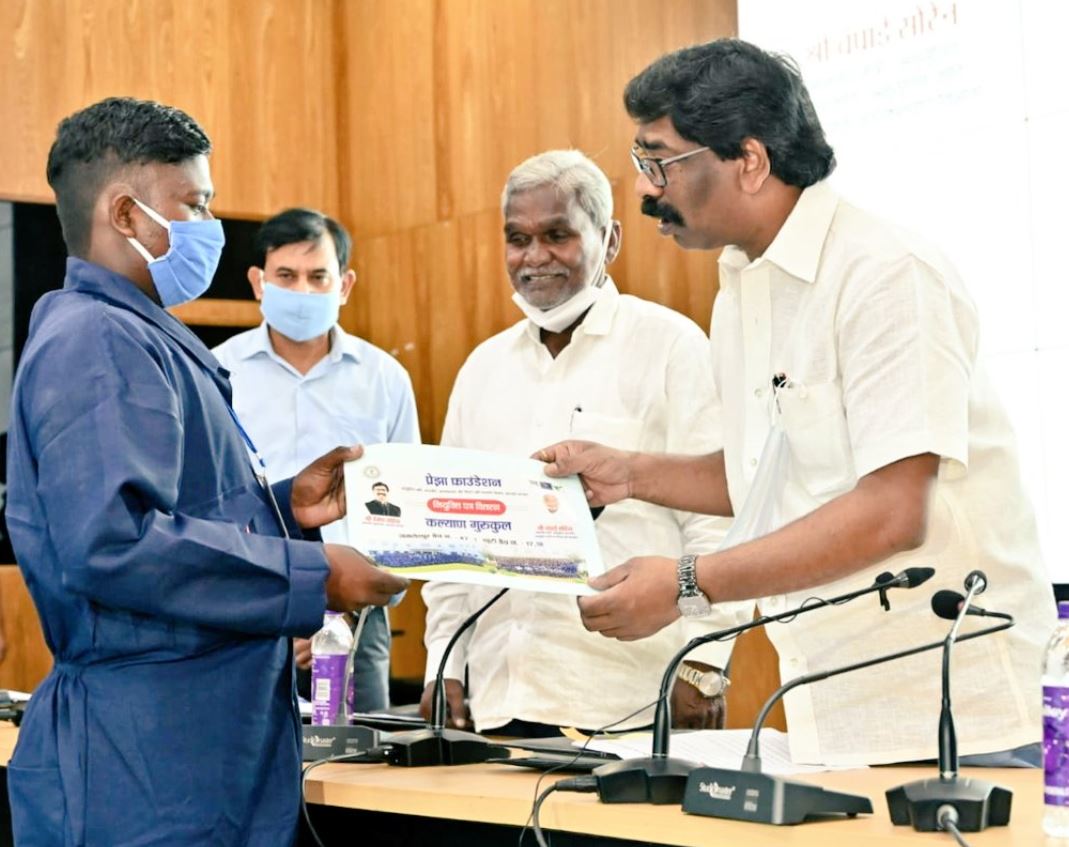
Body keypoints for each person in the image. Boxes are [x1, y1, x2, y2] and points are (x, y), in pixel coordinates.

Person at [540, 40, 1055, 767]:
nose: (646, 190)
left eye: (659, 162)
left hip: (959, 716)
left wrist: (686, 583)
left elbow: (892, 511)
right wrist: (629, 474)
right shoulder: (741, 288)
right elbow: (770, 473)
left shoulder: (884, 273)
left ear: (749, 161)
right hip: (833, 709)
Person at [4, 97, 407, 846]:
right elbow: (114, 544)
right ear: (126, 214)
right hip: (146, 761)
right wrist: (313, 576)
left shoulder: (137, 332)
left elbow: (178, 513)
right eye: (194, 205)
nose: (209, 226)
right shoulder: (96, 339)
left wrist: (285, 508)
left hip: (188, 747)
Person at [419, 150, 751, 737]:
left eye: (557, 235)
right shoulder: (482, 369)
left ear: (610, 240)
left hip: (626, 703)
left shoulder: (670, 346)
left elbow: (723, 518)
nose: (534, 257)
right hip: (496, 701)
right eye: (517, 239)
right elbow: (452, 536)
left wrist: (704, 664)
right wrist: (442, 664)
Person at [213, 207, 418, 712]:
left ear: (344, 285)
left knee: (362, 753)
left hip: (358, 618)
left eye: (318, 276)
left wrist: (352, 607)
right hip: (248, 614)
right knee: (250, 749)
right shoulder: (218, 372)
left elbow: (408, 506)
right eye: (286, 276)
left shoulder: (384, 378)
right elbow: (210, 502)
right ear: (258, 283)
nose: (303, 290)